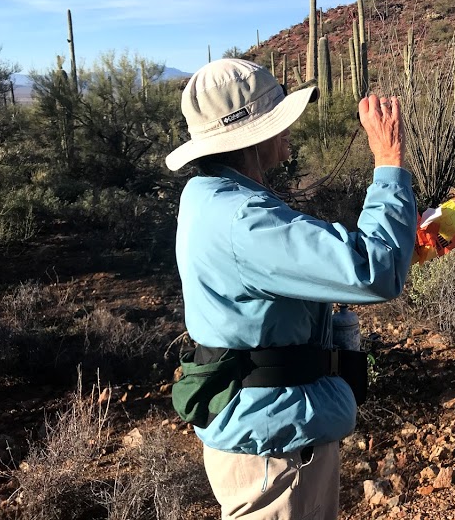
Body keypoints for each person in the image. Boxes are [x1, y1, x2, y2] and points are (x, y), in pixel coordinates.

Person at [165, 58, 417, 519]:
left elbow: (277, 291)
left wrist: (392, 248)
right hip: (276, 449)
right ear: (252, 136)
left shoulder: (212, 197)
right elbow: (374, 271)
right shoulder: (245, 219)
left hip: (272, 433)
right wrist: (389, 163)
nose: (289, 130)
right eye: (279, 118)